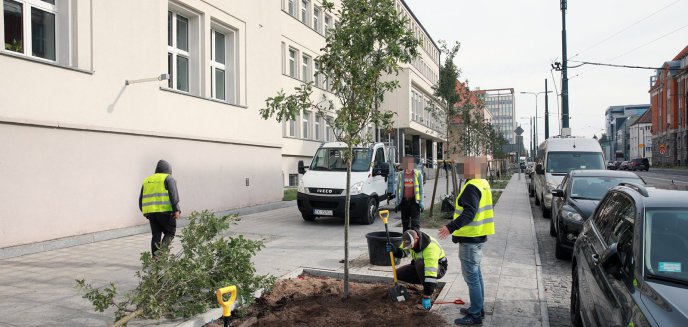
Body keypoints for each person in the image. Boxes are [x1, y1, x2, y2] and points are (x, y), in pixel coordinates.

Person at [438, 156, 494, 326]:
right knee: (476, 274)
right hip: (478, 236)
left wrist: (450, 227)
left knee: (472, 277)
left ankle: (475, 314)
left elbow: (469, 213)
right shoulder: (482, 182)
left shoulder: (471, 186)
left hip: (470, 239)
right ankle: (478, 308)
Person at [386, 230, 448, 311]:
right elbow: (403, 252)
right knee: (397, 273)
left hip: (438, 268)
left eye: (411, 245)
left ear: (417, 238)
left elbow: (430, 274)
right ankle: (425, 283)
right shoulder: (408, 239)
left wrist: (427, 295)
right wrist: (395, 251)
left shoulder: (430, 248)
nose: (410, 247)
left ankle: (431, 289)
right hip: (420, 266)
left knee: (420, 263)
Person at [139, 159, 181, 257]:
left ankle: (155, 258)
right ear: (168, 169)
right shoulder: (168, 178)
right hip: (165, 211)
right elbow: (173, 195)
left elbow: (141, 198)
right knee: (170, 232)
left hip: (151, 213)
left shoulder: (147, 180)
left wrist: (144, 211)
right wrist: (176, 209)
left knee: (156, 235)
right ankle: (161, 254)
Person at [395, 155, 424, 232]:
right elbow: (397, 190)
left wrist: (421, 202)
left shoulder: (418, 174)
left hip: (414, 202)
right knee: (405, 225)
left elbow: (421, 190)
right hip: (404, 202)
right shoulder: (401, 175)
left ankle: (417, 242)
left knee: (415, 225)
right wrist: (397, 203)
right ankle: (406, 242)